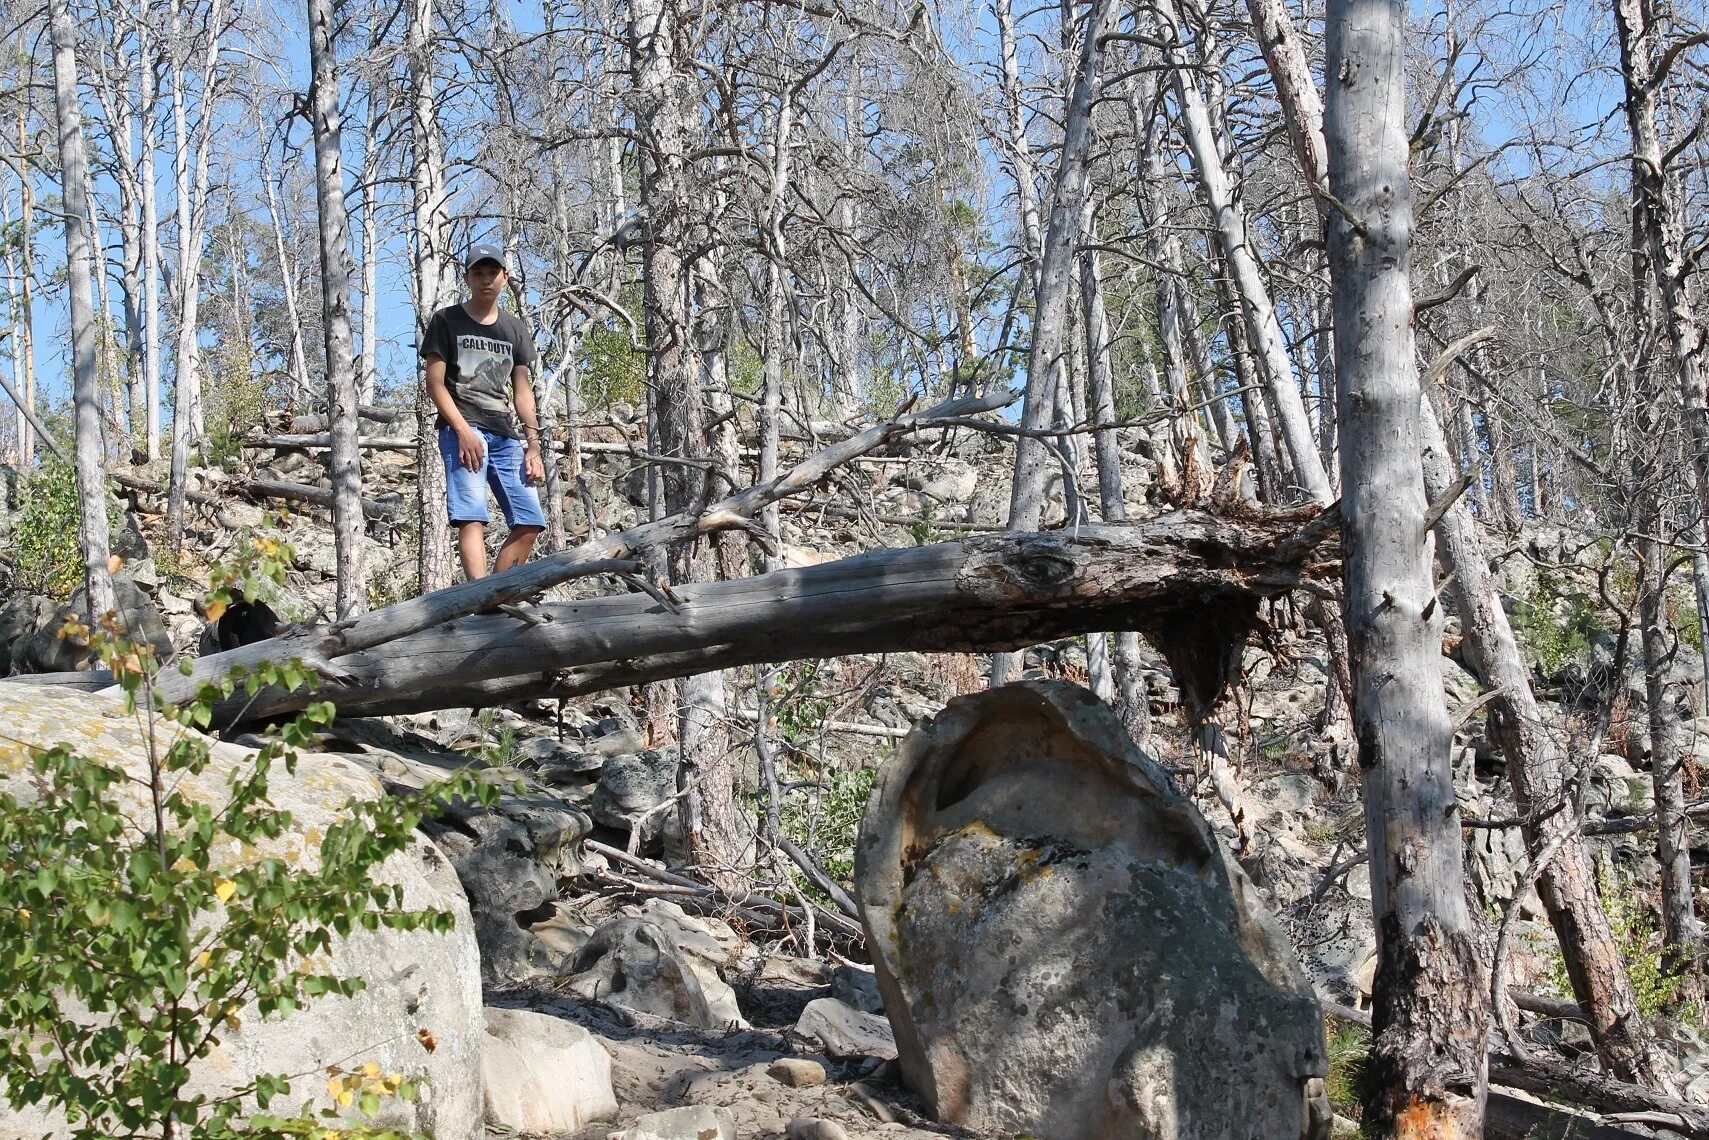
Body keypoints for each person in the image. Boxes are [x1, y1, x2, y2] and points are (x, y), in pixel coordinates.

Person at [421, 244, 548, 580]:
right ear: (467, 278)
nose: (486, 279)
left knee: (530, 521)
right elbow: (435, 384)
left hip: (505, 433)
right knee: (471, 515)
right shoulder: (447, 320)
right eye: (478, 273)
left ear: (505, 277)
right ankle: (478, 598)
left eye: (492, 272)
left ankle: (497, 595)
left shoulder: (514, 329)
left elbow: (522, 392)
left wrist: (533, 444)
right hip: (462, 427)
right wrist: (462, 430)